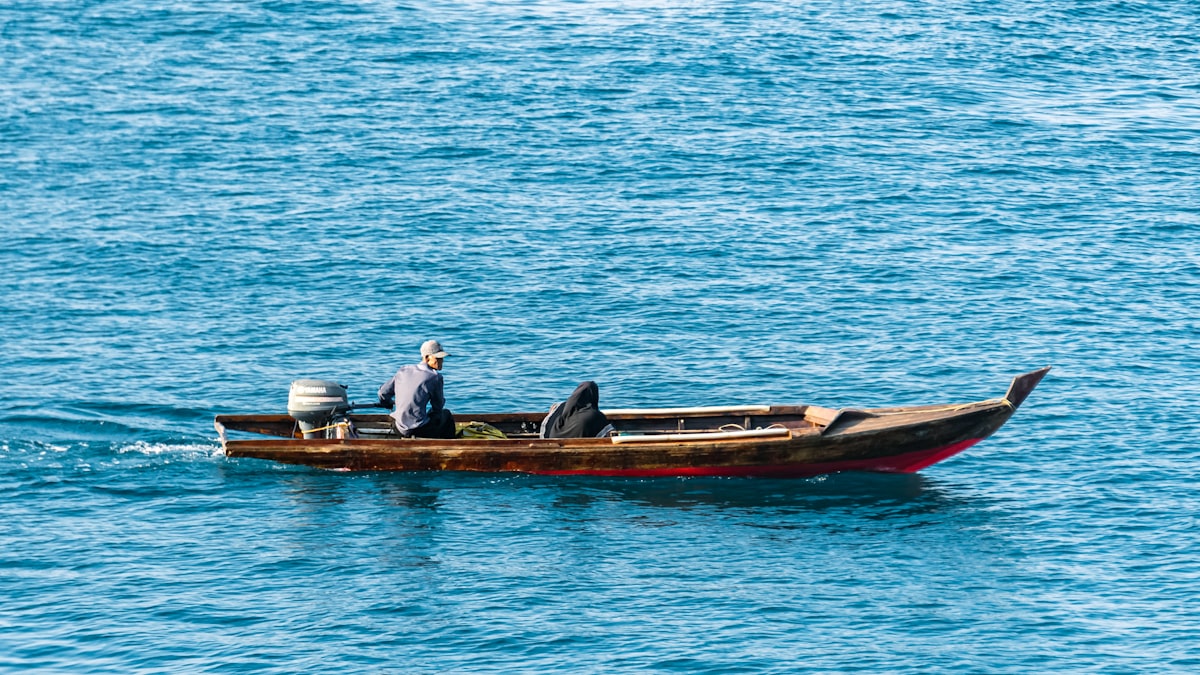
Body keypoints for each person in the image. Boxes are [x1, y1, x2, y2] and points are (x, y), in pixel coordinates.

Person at [378, 339, 456, 439]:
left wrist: (387, 403)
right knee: (446, 415)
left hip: (398, 428)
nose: (442, 361)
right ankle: (447, 445)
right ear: (427, 358)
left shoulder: (403, 370)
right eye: (438, 358)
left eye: (442, 358)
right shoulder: (435, 377)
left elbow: (382, 393)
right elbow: (438, 407)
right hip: (420, 430)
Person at [541, 380, 613, 439]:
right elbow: (608, 436)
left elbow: (549, 417)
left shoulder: (559, 406)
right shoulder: (596, 416)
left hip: (548, 445)